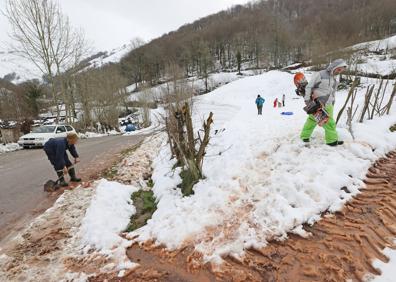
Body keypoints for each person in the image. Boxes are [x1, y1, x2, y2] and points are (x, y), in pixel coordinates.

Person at [300, 59, 347, 146]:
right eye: (339, 69)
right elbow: (309, 87)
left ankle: (304, 136)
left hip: (328, 104)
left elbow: (333, 91)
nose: (339, 72)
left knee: (312, 120)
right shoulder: (320, 74)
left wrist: (333, 101)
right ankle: (331, 141)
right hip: (318, 103)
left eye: (341, 70)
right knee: (329, 122)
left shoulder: (335, 78)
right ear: (334, 67)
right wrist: (307, 99)